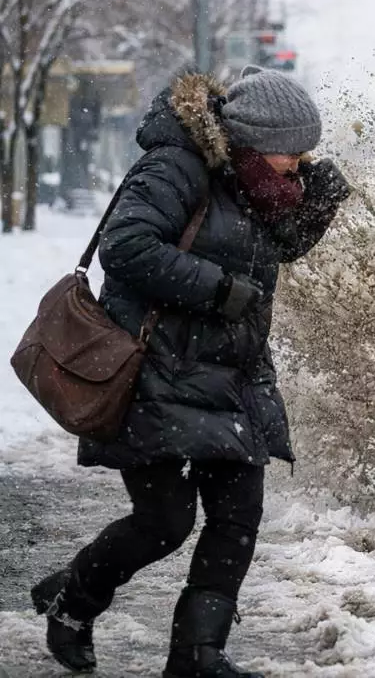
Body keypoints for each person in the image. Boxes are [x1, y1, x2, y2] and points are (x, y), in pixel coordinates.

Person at [28, 66, 352, 677]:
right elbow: (126, 246)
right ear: (253, 141)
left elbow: (273, 246)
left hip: (234, 376)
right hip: (159, 373)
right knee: (165, 522)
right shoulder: (175, 168)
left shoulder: (254, 183)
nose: (300, 161)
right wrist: (217, 289)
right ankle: (73, 601)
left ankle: (198, 656)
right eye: (294, 150)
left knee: (238, 518)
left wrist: (319, 208)